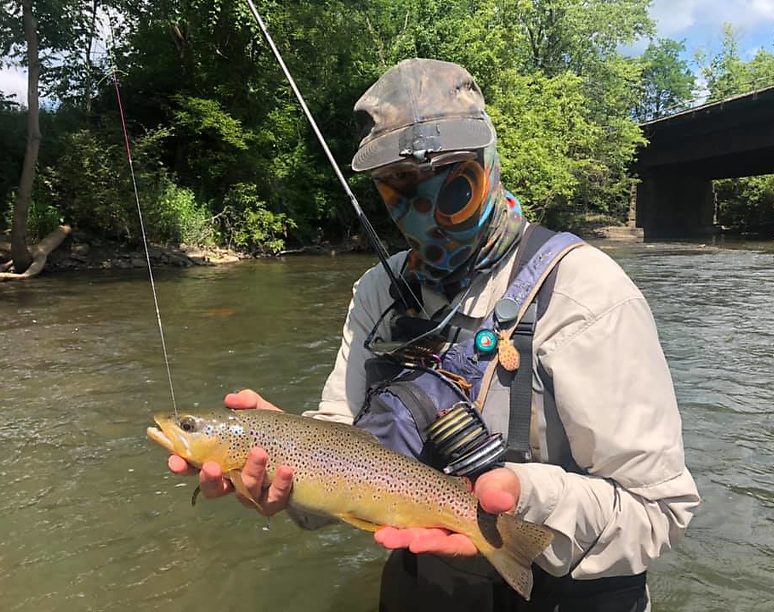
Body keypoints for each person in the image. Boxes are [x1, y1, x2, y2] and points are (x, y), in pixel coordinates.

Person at [168, 59, 700, 611]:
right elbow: (345, 451)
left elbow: (657, 512)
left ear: (489, 160)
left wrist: (521, 502)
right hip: (426, 583)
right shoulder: (379, 290)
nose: (426, 206)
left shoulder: (586, 293)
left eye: (451, 176)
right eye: (399, 185)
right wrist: (285, 465)